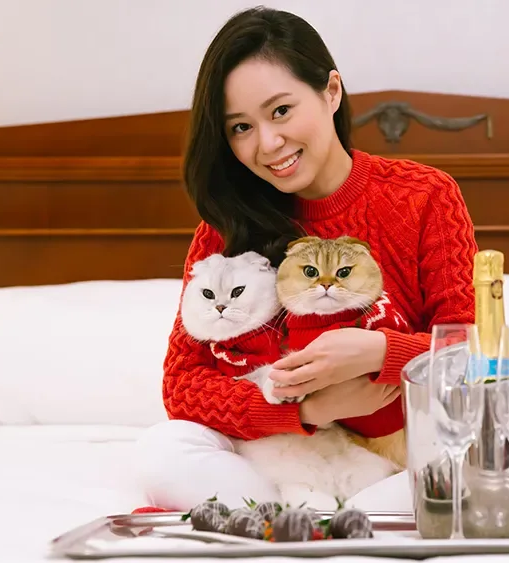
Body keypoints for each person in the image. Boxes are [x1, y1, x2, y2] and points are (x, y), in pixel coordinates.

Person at [134, 6, 477, 511]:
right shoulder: (226, 226)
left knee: (471, 466)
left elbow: (474, 355)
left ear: (331, 92)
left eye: (280, 111)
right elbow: (183, 385)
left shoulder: (423, 196)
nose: (268, 144)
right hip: (280, 457)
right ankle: (315, 520)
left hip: (397, 452)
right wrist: (306, 409)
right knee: (163, 452)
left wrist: (379, 353)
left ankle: (311, 522)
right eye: (239, 128)